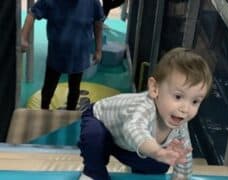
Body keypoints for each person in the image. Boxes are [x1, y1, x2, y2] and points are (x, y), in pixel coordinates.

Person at [78, 47, 213, 180]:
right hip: (101, 122)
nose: (185, 108)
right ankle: (93, 173)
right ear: (154, 89)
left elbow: (184, 153)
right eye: (178, 97)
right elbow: (134, 129)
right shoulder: (143, 107)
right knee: (94, 136)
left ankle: (141, 166)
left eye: (195, 101)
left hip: (124, 143)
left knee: (160, 164)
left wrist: (181, 175)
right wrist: (158, 152)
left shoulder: (179, 121)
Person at [21, 0, 105, 110]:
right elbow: (32, 13)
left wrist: (98, 49)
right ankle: (44, 109)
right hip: (56, 56)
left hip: (78, 56)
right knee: (48, 89)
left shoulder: (92, 3)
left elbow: (98, 23)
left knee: (74, 89)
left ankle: (70, 113)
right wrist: (23, 37)